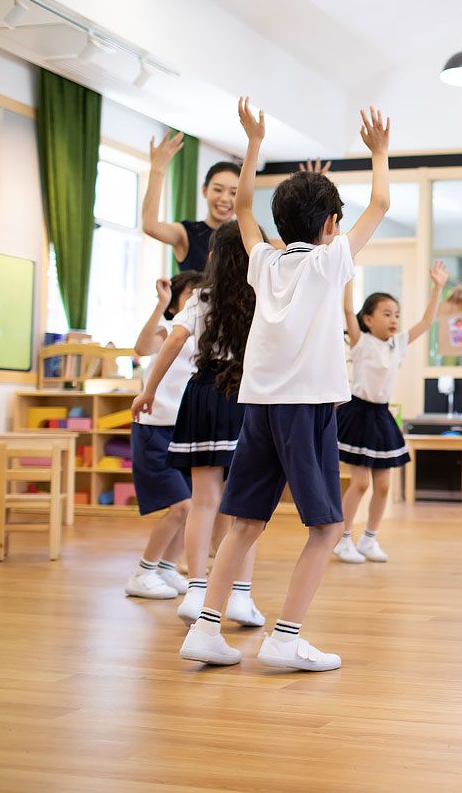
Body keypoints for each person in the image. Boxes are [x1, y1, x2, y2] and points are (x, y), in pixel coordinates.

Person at [177, 100, 392, 671]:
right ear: (329, 227)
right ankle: (284, 638)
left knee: (245, 520)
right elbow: (382, 203)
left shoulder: (264, 263)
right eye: (336, 222)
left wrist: (254, 143)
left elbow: (243, 206)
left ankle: (205, 627)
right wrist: (378, 152)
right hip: (307, 408)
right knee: (327, 528)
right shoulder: (330, 261)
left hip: (260, 409)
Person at [132, 226, 264, 627]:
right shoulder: (259, 297)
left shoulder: (202, 297)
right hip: (243, 395)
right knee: (246, 503)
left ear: (211, 259)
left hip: (203, 392)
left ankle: (197, 591)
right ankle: (240, 596)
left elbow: (173, 342)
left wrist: (148, 390)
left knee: (203, 501)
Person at [333, 261, 449, 564]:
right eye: (386, 314)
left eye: (396, 314)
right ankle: (342, 539)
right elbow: (348, 311)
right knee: (360, 483)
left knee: (383, 485)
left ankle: (369, 539)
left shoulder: (398, 345)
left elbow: (426, 322)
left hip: (381, 416)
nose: (394, 319)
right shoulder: (361, 341)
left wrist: (438, 287)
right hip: (357, 414)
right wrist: (347, 274)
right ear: (368, 319)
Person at [124, 271, 202, 599]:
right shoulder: (170, 329)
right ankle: (143, 572)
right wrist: (161, 305)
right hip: (154, 429)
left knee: (194, 505)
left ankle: (167, 568)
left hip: (182, 430)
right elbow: (141, 347)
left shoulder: (202, 336)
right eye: (192, 295)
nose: (198, 301)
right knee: (182, 507)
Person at [142, 130, 240, 272]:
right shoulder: (187, 234)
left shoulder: (246, 239)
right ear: (204, 190)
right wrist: (157, 170)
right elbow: (150, 226)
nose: (225, 199)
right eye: (218, 189)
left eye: (234, 193)